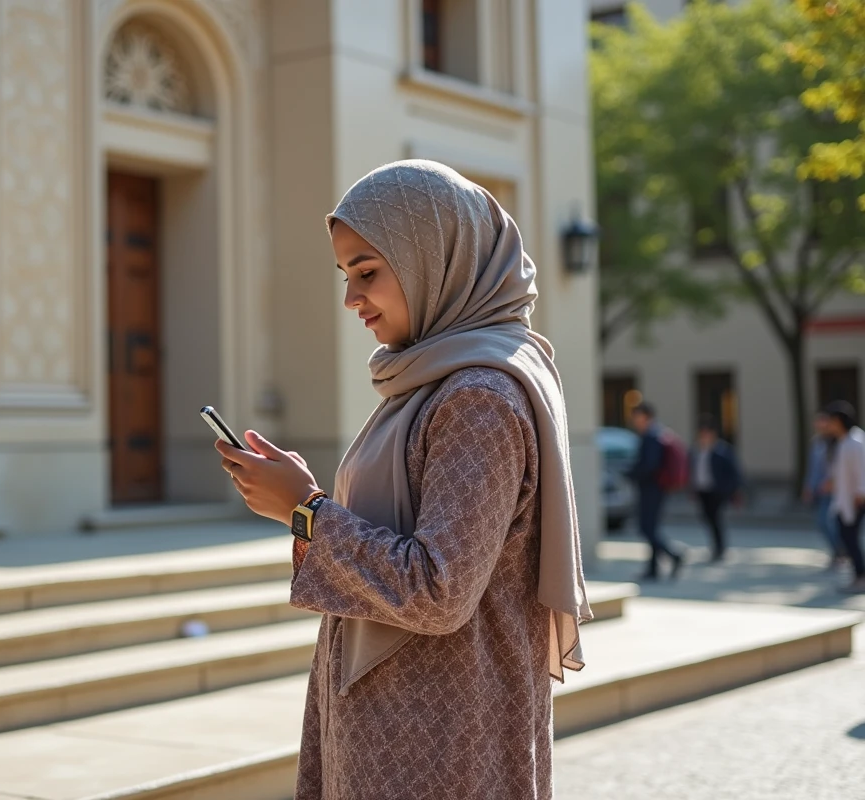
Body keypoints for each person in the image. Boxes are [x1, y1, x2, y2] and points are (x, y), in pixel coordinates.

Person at [213, 160, 591, 799]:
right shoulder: (430, 383)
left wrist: (304, 509)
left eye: (368, 272)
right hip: (403, 722)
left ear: (434, 261)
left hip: (439, 743)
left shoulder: (478, 399)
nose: (351, 299)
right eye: (346, 276)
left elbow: (438, 591)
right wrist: (303, 501)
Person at [628, 403, 685, 580]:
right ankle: (653, 568)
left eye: (637, 417)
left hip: (652, 489)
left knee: (647, 528)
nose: (634, 421)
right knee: (651, 527)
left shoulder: (651, 436)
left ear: (646, 416)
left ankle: (674, 555)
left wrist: (632, 474)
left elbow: (650, 465)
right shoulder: (656, 433)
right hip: (656, 488)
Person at [825, 401, 865, 594]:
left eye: (830, 421)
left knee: (850, 537)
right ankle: (858, 574)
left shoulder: (855, 441)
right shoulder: (844, 441)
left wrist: (861, 493)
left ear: (839, 421)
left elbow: (862, 470)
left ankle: (861, 575)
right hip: (844, 498)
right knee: (846, 537)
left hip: (855, 499)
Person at [689, 415, 742, 562]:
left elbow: (734, 471)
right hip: (702, 489)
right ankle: (716, 546)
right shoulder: (697, 450)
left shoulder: (722, 450)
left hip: (717, 490)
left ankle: (719, 548)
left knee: (715, 518)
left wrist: (735, 490)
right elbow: (692, 470)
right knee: (706, 517)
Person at [802, 411, 844, 569]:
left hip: (834, 490)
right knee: (823, 522)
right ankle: (838, 551)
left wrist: (832, 482)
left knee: (828, 522)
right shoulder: (817, 443)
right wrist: (808, 486)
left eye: (823, 421)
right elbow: (813, 468)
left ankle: (841, 552)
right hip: (820, 489)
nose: (820, 425)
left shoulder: (837, 442)